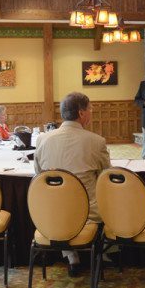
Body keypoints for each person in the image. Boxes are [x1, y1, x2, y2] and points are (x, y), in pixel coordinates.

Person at [34, 92, 111, 277]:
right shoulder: (96, 141)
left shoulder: (42, 139)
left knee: (59, 202)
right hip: (87, 214)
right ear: (82, 113)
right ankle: (106, 255)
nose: (91, 112)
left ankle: (72, 259)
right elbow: (105, 178)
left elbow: (38, 176)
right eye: (91, 108)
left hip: (50, 214)